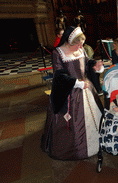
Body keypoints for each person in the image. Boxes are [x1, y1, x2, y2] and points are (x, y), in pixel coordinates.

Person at [41, 26, 104, 160]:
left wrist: (95, 66)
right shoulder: (58, 53)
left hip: (86, 88)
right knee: (73, 121)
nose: (80, 47)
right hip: (69, 92)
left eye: (82, 44)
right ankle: (77, 148)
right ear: (70, 42)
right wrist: (78, 83)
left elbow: (87, 62)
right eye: (78, 44)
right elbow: (59, 75)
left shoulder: (81, 48)